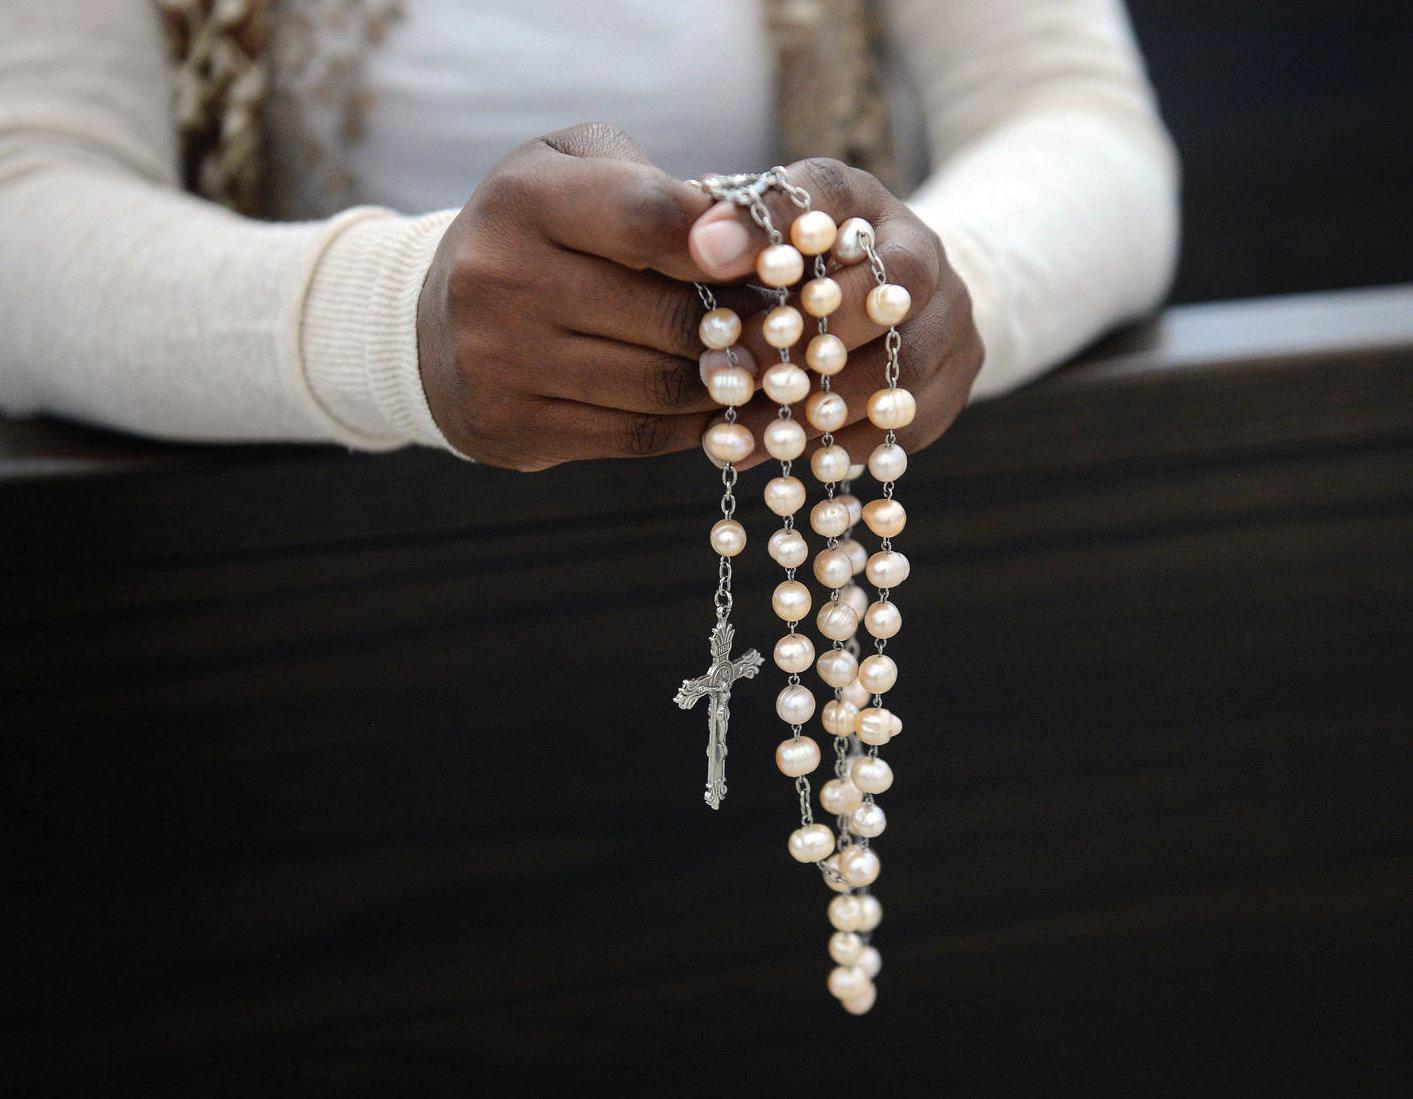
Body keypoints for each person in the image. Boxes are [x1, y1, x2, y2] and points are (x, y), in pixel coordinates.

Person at [0, 0, 1178, 470]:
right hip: (272, 590)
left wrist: (914, 291)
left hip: (796, 524)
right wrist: (395, 320)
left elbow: (1080, 124)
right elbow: (30, 203)